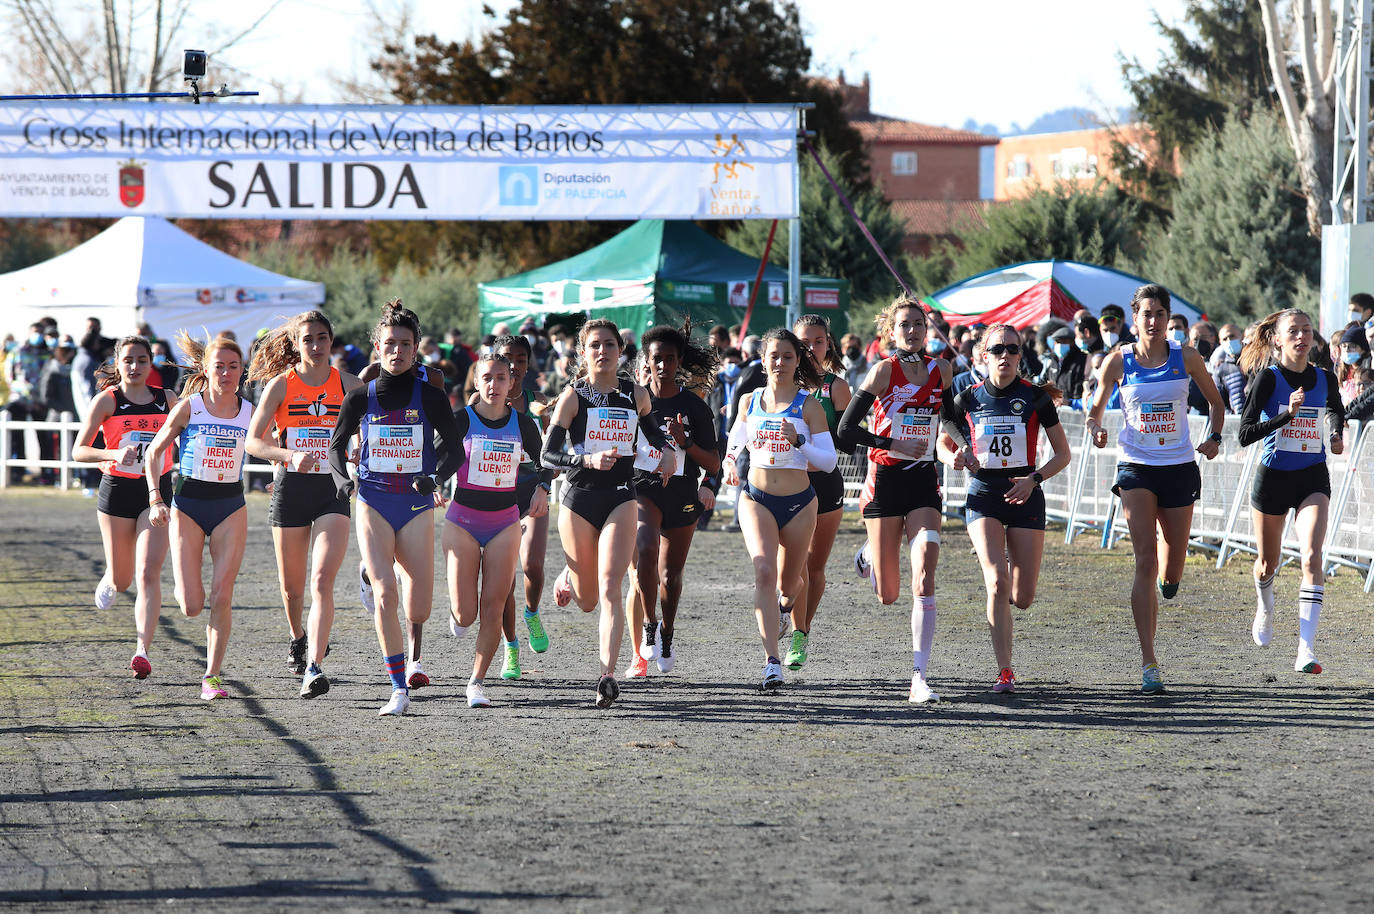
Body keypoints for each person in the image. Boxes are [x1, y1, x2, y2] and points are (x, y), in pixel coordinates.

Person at [1086, 284, 1226, 694]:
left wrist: (1215, 437)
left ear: (1168, 319)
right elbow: (1095, 412)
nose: (1152, 321)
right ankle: (1149, 662)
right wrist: (1096, 430)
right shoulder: (1118, 361)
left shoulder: (1187, 357)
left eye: (1159, 314)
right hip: (1136, 467)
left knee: (1171, 568)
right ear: (1136, 319)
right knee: (1145, 559)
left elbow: (1217, 404)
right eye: (1145, 314)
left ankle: (1171, 579)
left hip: (1180, 466)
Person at [328, 300, 463, 716]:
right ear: (377, 346)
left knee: (418, 605)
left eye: (405, 344)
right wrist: (342, 481)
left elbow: (456, 450)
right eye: (390, 343)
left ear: (417, 346)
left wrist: (434, 478)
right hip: (373, 498)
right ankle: (397, 687)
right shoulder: (360, 396)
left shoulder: (431, 395)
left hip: (417, 503)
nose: (397, 351)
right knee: (387, 594)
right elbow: (335, 446)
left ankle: (377, 568)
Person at [541, 318, 675, 707]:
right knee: (586, 600)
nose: (603, 352)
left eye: (610, 345)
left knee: (611, 588)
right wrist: (585, 459)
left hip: (621, 497)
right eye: (595, 345)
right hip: (579, 501)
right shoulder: (572, 397)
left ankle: (606, 676)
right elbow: (547, 455)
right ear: (584, 352)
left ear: (621, 351)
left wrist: (666, 451)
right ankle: (571, 571)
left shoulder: (636, 395)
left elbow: (655, 436)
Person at [937, 325, 1072, 692]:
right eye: (998, 349)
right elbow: (942, 445)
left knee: (1023, 598)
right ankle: (1005, 670)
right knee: (996, 582)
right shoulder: (968, 398)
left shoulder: (1035, 398)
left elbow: (1063, 455)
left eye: (1013, 349)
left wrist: (1034, 479)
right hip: (984, 496)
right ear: (984, 355)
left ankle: (1007, 565)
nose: (1006, 356)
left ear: (1020, 355)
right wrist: (955, 458)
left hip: (1026, 495)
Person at [837, 298, 955, 703]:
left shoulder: (942, 369)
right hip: (885, 481)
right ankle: (869, 554)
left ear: (927, 329)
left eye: (918, 324)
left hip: (923, 481)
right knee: (888, 594)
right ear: (891, 331)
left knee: (925, 571)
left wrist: (962, 446)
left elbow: (952, 415)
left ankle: (919, 677)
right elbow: (845, 430)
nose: (912, 331)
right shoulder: (884, 370)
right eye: (904, 325)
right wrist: (892, 441)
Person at [246, 311, 362, 698]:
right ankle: (298, 635)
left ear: (332, 341)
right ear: (296, 344)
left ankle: (315, 665)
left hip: (332, 490)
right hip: (291, 489)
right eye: (308, 339)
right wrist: (287, 455)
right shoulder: (281, 385)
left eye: (322, 338)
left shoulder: (349, 384)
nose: (315, 345)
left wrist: (359, 448)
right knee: (292, 587)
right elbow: (253, 442)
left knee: (321, 582)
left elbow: (367, 432)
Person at [722, 327, 836, 691]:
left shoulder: (809, 405)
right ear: (762, 359)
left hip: (801, 504)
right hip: (756, 498)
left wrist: (799, 440)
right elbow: (737, 435)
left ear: (798, 360)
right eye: (774, 355)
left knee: (790, 585)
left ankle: (785, 611)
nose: (780, 363)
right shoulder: (750, 399)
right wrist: (728, 461)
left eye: (788, 356)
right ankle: (772, 662)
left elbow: (830, 461)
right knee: (764, 573)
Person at [143, 332, 253, 701]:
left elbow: (269, 445)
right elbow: (154, 452)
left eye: (233, 366)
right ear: (206, 370)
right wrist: (156, 497)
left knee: (222, 595)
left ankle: (212, 677)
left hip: (230, 506)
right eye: (219, 366)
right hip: (188, 504)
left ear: (242, 371)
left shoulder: (250, 411)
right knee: (192, 605)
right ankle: (185, 588)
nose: (226, 373)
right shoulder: (191, 406)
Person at [1237, 309, 1345, 674]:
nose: (1302, 337)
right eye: (1293, 331)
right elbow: (1245, 433)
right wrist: (1287, 415)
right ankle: (1265, 606)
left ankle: (1305, 649)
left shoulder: (1323, 378)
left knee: (1312, 556)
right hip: (1273, 478)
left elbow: (1335, 409)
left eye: (1307, 331)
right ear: (1277, 339)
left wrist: (1335, 434)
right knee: (1268, 562)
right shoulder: (1267, 380)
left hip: (1312, 477)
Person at [444, 351, 551, 707]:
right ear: (477, 381)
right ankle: (458, 614)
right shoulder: (461, 420)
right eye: (487, 378)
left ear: (511, 383)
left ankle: (476, 682)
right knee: (465, 614)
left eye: (501, 378)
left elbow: (545, 461)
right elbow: (439, 460)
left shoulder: (523, 425)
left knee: (493, 606)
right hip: (463, 521)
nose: (493, 384)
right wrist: (429, 482)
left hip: (505, 522)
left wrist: (542, 488)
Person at [72, 336, 176, 678]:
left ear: (151, 363)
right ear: (118, 364)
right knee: (122, 577)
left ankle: (142, 649)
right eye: (128, 360)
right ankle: (111, 577)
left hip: (156, 493)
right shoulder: (107, 401)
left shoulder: (168, 400)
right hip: (117, 490)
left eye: (142, 360)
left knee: (147, 572)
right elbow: (79, 451)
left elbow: (193, 436)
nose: (135, 367)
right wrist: (113, 454)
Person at [625, 322, 719, 677]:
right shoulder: (633, 399)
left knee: (671, 574)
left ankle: (666, 631)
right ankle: (649, 624)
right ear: (646, 362)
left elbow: (713, 462)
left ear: (679, 362)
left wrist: (685, 442)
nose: (663, 365)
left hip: (681, 492)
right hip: (641, 488)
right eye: (656, 359)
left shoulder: (692, 405)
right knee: (646, 549)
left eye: (670, 359)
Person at [784, 314, 852, 670]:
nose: (812, 348)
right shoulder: (778, 383)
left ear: (829, 344)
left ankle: (801, 634)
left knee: (814, 566)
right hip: (784, 483)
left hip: (824, 483)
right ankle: (785, 607)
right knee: (788, 568)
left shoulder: (836, 387)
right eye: (804, 342)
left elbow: (846, 440)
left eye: (819, 341)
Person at [486, 334, 555, 681]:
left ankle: (531, 613)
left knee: (533, 564)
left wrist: (550, 416)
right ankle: (510, 647)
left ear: (528, 365)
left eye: (521, 360)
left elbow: (553, 451)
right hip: (498, 494)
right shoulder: (482, 400)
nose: (514, 365)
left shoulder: (539, 401)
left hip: (533, 491)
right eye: (507, 358)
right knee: (504, 580)